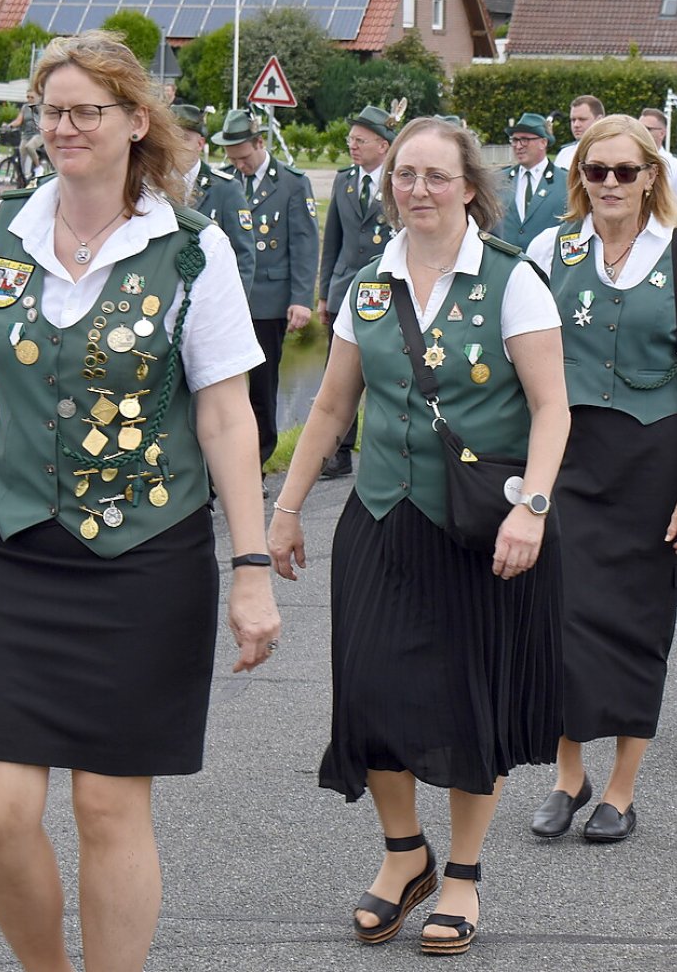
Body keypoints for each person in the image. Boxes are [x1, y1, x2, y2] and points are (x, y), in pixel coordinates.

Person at [0, 30, 281, 970]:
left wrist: (252, 568)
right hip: (17, 551)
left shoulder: (194, 250)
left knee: (107, 804)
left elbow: (226, 418)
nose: (66, 128)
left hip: (145, 557)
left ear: (135, 121)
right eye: (52, 111)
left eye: (88, 111)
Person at [268, 116, 568, 956]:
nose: (418, 190)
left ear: (470, 186)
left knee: (470, 699)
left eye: (436, 176)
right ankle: (405, 855)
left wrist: (532, 509)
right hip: (380, 514)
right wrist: (286, 508)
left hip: (479, 522)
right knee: (369, 693)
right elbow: (331, 406)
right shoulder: (370, 281)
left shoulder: (513, 281)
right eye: (405, 176)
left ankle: (465, 874)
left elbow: (552, 407)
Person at [521, 114, 677, 842]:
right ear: (579, 178)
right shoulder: (548, 249)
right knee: (562, 617)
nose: (609, 184)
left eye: (624, 171)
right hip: (569, 456)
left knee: (638, 623)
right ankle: (567, 775)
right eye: (594, 170)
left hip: (652, 458)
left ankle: (621, 789)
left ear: (651, 179)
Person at [211, 109, 319, 467]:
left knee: (261, 387)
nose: (239, 164)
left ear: (260, 143)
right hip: (227, 301)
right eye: (232, 159)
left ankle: (256, 462)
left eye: (244, 157)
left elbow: (304, 243)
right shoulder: (224, 183)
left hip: (267, 302)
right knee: (222, 387)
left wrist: (301, 299)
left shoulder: (290, 182)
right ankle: (224, 458)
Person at [317, 104, 400, 480]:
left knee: (387, 369)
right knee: (338, 374)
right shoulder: (344, 180)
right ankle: (339, 451)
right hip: (344, 286)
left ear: (383, 145)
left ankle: (387, 445)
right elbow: (332, 237)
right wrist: (324, 293)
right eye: (351, 139)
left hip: (386, 288)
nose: (353, 145)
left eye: (360, 140)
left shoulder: (397, 181)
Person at [171, 103, 253, 292]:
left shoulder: (226, 189)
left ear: (199, 144)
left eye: (183, 138)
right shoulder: (152, 186)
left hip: (210, 295)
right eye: (170, 137)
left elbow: (243, 256)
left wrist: (234, 309)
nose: (175, 145)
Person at [493, 112, 568, 249]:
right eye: (514, 140)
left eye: (525, 140)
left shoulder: (565, 181)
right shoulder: (499, 180)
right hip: (506, 265)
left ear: (543, 143)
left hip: (547, 265)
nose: (518, 146)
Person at [639, 107, 677, 215]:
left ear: (662, 133)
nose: (640, 133)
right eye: (638, 128)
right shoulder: (627, 165)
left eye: (647, 129)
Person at [553, 95, 603, 171]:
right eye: (573, 120)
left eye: (582, 119)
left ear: (599, 120)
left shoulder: (613, 152)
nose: (576, 125)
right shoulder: (564, 154)